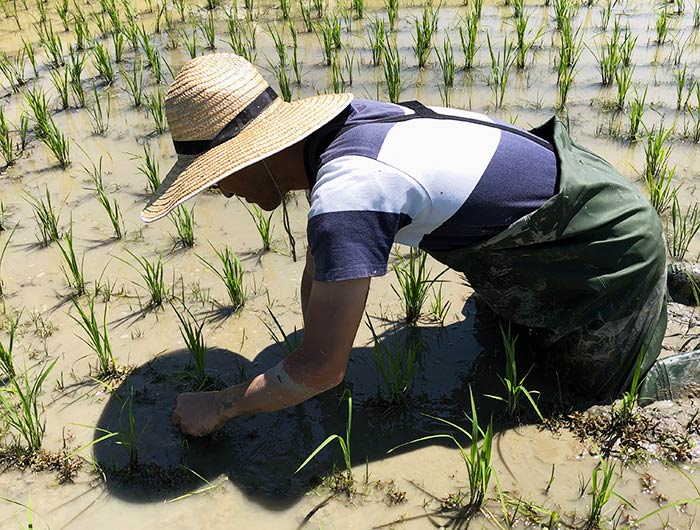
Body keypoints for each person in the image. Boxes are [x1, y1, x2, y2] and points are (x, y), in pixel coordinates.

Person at [140, 53, 667, 437]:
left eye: (220, 176)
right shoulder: (349, 129)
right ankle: (667, 278)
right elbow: (324, 262)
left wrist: (223, 405)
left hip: (609, 242)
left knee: (581, 396)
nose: (224, 189)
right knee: (498, 330)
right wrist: (314, 345)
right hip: (588, 196)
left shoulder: (348, 189)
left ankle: (655, 298)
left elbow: (324, 370)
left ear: (254, 157)